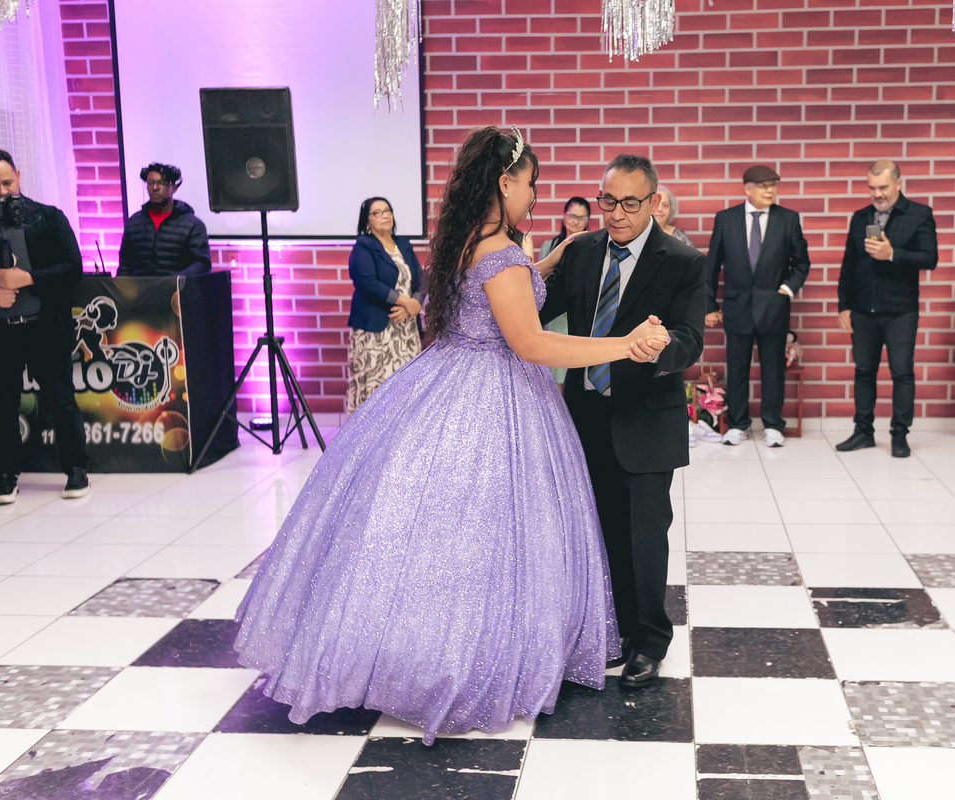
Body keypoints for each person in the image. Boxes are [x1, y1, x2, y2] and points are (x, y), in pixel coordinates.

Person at [233, 126, 668, 744]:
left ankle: (394, 643)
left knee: (430, 527)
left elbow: (495, 296)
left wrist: (543, 264)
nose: (535, 195)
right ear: (504, 182)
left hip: (448, 375)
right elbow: (531, 341)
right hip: (497, 391)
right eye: (531, 183)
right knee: (495, 531)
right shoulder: (502, 253)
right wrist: (623, 345)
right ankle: (470, 656)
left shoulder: (469, 239)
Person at [540, 153, 706, 688]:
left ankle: (649, 641)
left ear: (653, 202)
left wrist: (660, 347)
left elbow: (690, 338)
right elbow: (536, 312)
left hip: (646, 420)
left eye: (629, 204)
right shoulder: (582, 251)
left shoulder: (682, 261)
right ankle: (609, 632)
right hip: (585, 415)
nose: (615, 214)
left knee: (644, 536)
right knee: (598, 529)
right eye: (607, 201)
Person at [0, 149, 89, 503]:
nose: (3, 192)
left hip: (45, 327)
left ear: (19, 177)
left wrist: (28, 278)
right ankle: (5, 475)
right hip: (4, 333)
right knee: (3, 404)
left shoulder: (48, 218)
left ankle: (76, 469)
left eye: (7, 182)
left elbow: (72, 267)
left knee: (61, 400)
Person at [835, 160, 939, 458]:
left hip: (901, 311)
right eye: (871, 188)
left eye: (882, 187)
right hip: (862, 310)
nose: (876, 194)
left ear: (898, 183)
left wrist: (893, 254)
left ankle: (900, 435)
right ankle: (863, 432)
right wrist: (844, 306)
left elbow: (929, 258)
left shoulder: (919, 214)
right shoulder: (860, 217)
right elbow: (849, 264)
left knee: (902, 372)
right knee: (863, 372)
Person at [705, 165, 810, 447]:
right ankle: (738, 424)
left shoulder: (788, 219)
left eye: (773, 186)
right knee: (736, 368)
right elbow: (711, 266)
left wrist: (785, 290)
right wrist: (709, 304)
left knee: (773, 370)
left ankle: (773, 425)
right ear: (747, 189)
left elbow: (801, 263)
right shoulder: (725, 219)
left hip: (774, 308)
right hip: (737, 307)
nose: (770, 191)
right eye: (763, 186)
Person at [346, 197, 423, 413]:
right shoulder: (364, 246)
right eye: (377, 213)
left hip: (405, 330)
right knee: (375, 390)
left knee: (405, 388)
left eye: (387, 210)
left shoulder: (404, 245)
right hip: (376, 332)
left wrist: (415, 304)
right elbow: (367, 282)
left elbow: (421, 280)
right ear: (367, 221)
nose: (385, 215)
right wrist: (406, 302)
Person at [117, 163, 211, 277]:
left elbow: (201, 264)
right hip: (139, 288)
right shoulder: (133, 223)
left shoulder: (193, 225)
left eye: (161, 183)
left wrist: (174, 281)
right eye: (150, 183)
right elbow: (125, 266)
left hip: (175, 287)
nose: (155, 187)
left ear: (174, 188)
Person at [539, 198, 592, 385]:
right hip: (553, 318)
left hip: (576, 316)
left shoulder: (591, 249)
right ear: (564, 216)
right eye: (572, 216)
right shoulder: (549, 246)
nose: (575, 221)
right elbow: (540, 282)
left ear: (587, 220)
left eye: (581, 217)